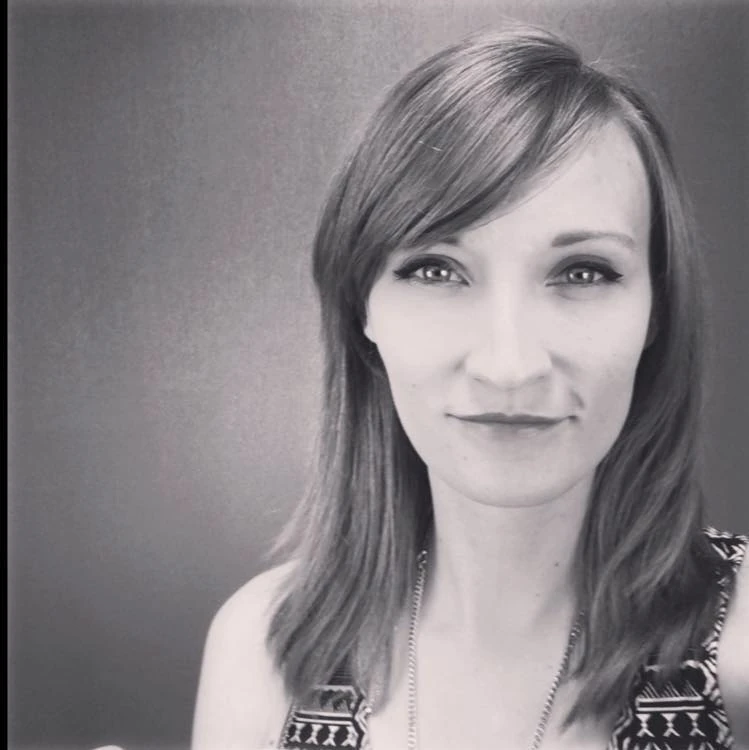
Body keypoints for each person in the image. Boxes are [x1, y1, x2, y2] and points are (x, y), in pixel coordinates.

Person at [190, 25, 749, 750]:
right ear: (362, 310)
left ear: (656, 313)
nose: (508, 366)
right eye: (437, 271)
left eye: (583, 271)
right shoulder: (263, 653)